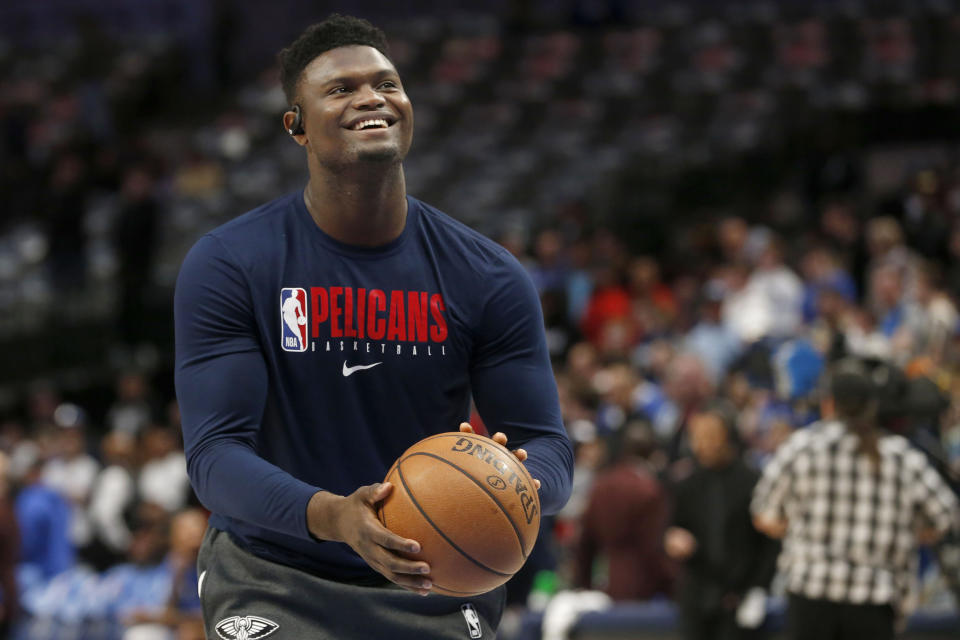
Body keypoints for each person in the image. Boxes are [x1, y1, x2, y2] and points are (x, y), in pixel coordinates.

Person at [173, 14, 573, 639]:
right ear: (296, 126)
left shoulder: (488, 275)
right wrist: (334, 516)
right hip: (274, 574)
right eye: (340, 88)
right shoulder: (231, 263)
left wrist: (511, 482)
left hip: (432, 578)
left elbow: (549, 449)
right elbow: (215, 457)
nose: (370, 97)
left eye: (387, 83)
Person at [752, 359, 959, 640]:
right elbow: (946, 516)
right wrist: (907, 532)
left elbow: (763, 514)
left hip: (810, 595)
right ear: (871, 406)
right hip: (874, 601)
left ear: (829, 404)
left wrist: (799, 526)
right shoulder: (899, 455)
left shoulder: (801, 447)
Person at [665, 403, 779, 640]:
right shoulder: (686, 485)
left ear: (728, 437)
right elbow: (670, 529)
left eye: (711, 436)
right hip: (697, 598)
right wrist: (672, 539)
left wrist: (757, 587)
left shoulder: (752, 482)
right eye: (697, 437)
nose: (704, 444)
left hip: (739, 598)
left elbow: (769, 543)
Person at [574, 420, 672, 600]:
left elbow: (585, 543)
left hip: (603, 582)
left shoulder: (601, 485)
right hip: (641, 587)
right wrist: (671, 587)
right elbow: (653, 548)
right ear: (654, 454)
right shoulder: (649, 490)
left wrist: (584, 585)